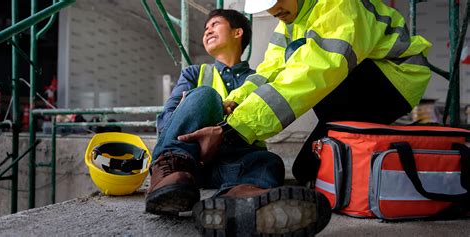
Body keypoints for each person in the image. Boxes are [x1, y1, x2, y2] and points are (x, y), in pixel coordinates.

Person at [176, 0, 432, 235]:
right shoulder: (288, 21)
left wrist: (233, 130)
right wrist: (234, 101)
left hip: (392, 79)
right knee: (304, 169)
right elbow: (269, 72)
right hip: (350, 87)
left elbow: (311, 74)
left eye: (276, 2)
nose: (273, 11)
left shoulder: (340, 5)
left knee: (301, 58)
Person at [146, 8, 331, 236]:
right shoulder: (195, 73)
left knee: (268, 160)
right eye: (205, 28)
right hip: (190, 161)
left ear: (238, 32)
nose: (207, 31)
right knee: (205, 96)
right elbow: (169, 116)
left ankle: (238, 201)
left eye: (214, 24)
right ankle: (168, 174)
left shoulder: (259, 78)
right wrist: (209, 108)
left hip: (235, 163)